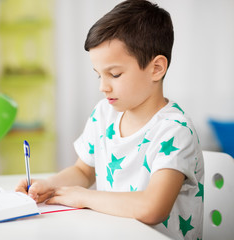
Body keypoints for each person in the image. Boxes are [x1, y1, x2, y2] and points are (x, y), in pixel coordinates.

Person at [16, 1, 204, 239]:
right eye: (99, 75)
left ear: (156, 68)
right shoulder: (104, 114)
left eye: (114, 74)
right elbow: (83, 171)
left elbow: (152, 208)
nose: (103, 87)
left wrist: (84, 197)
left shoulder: (175, 131)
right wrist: (49, 185)